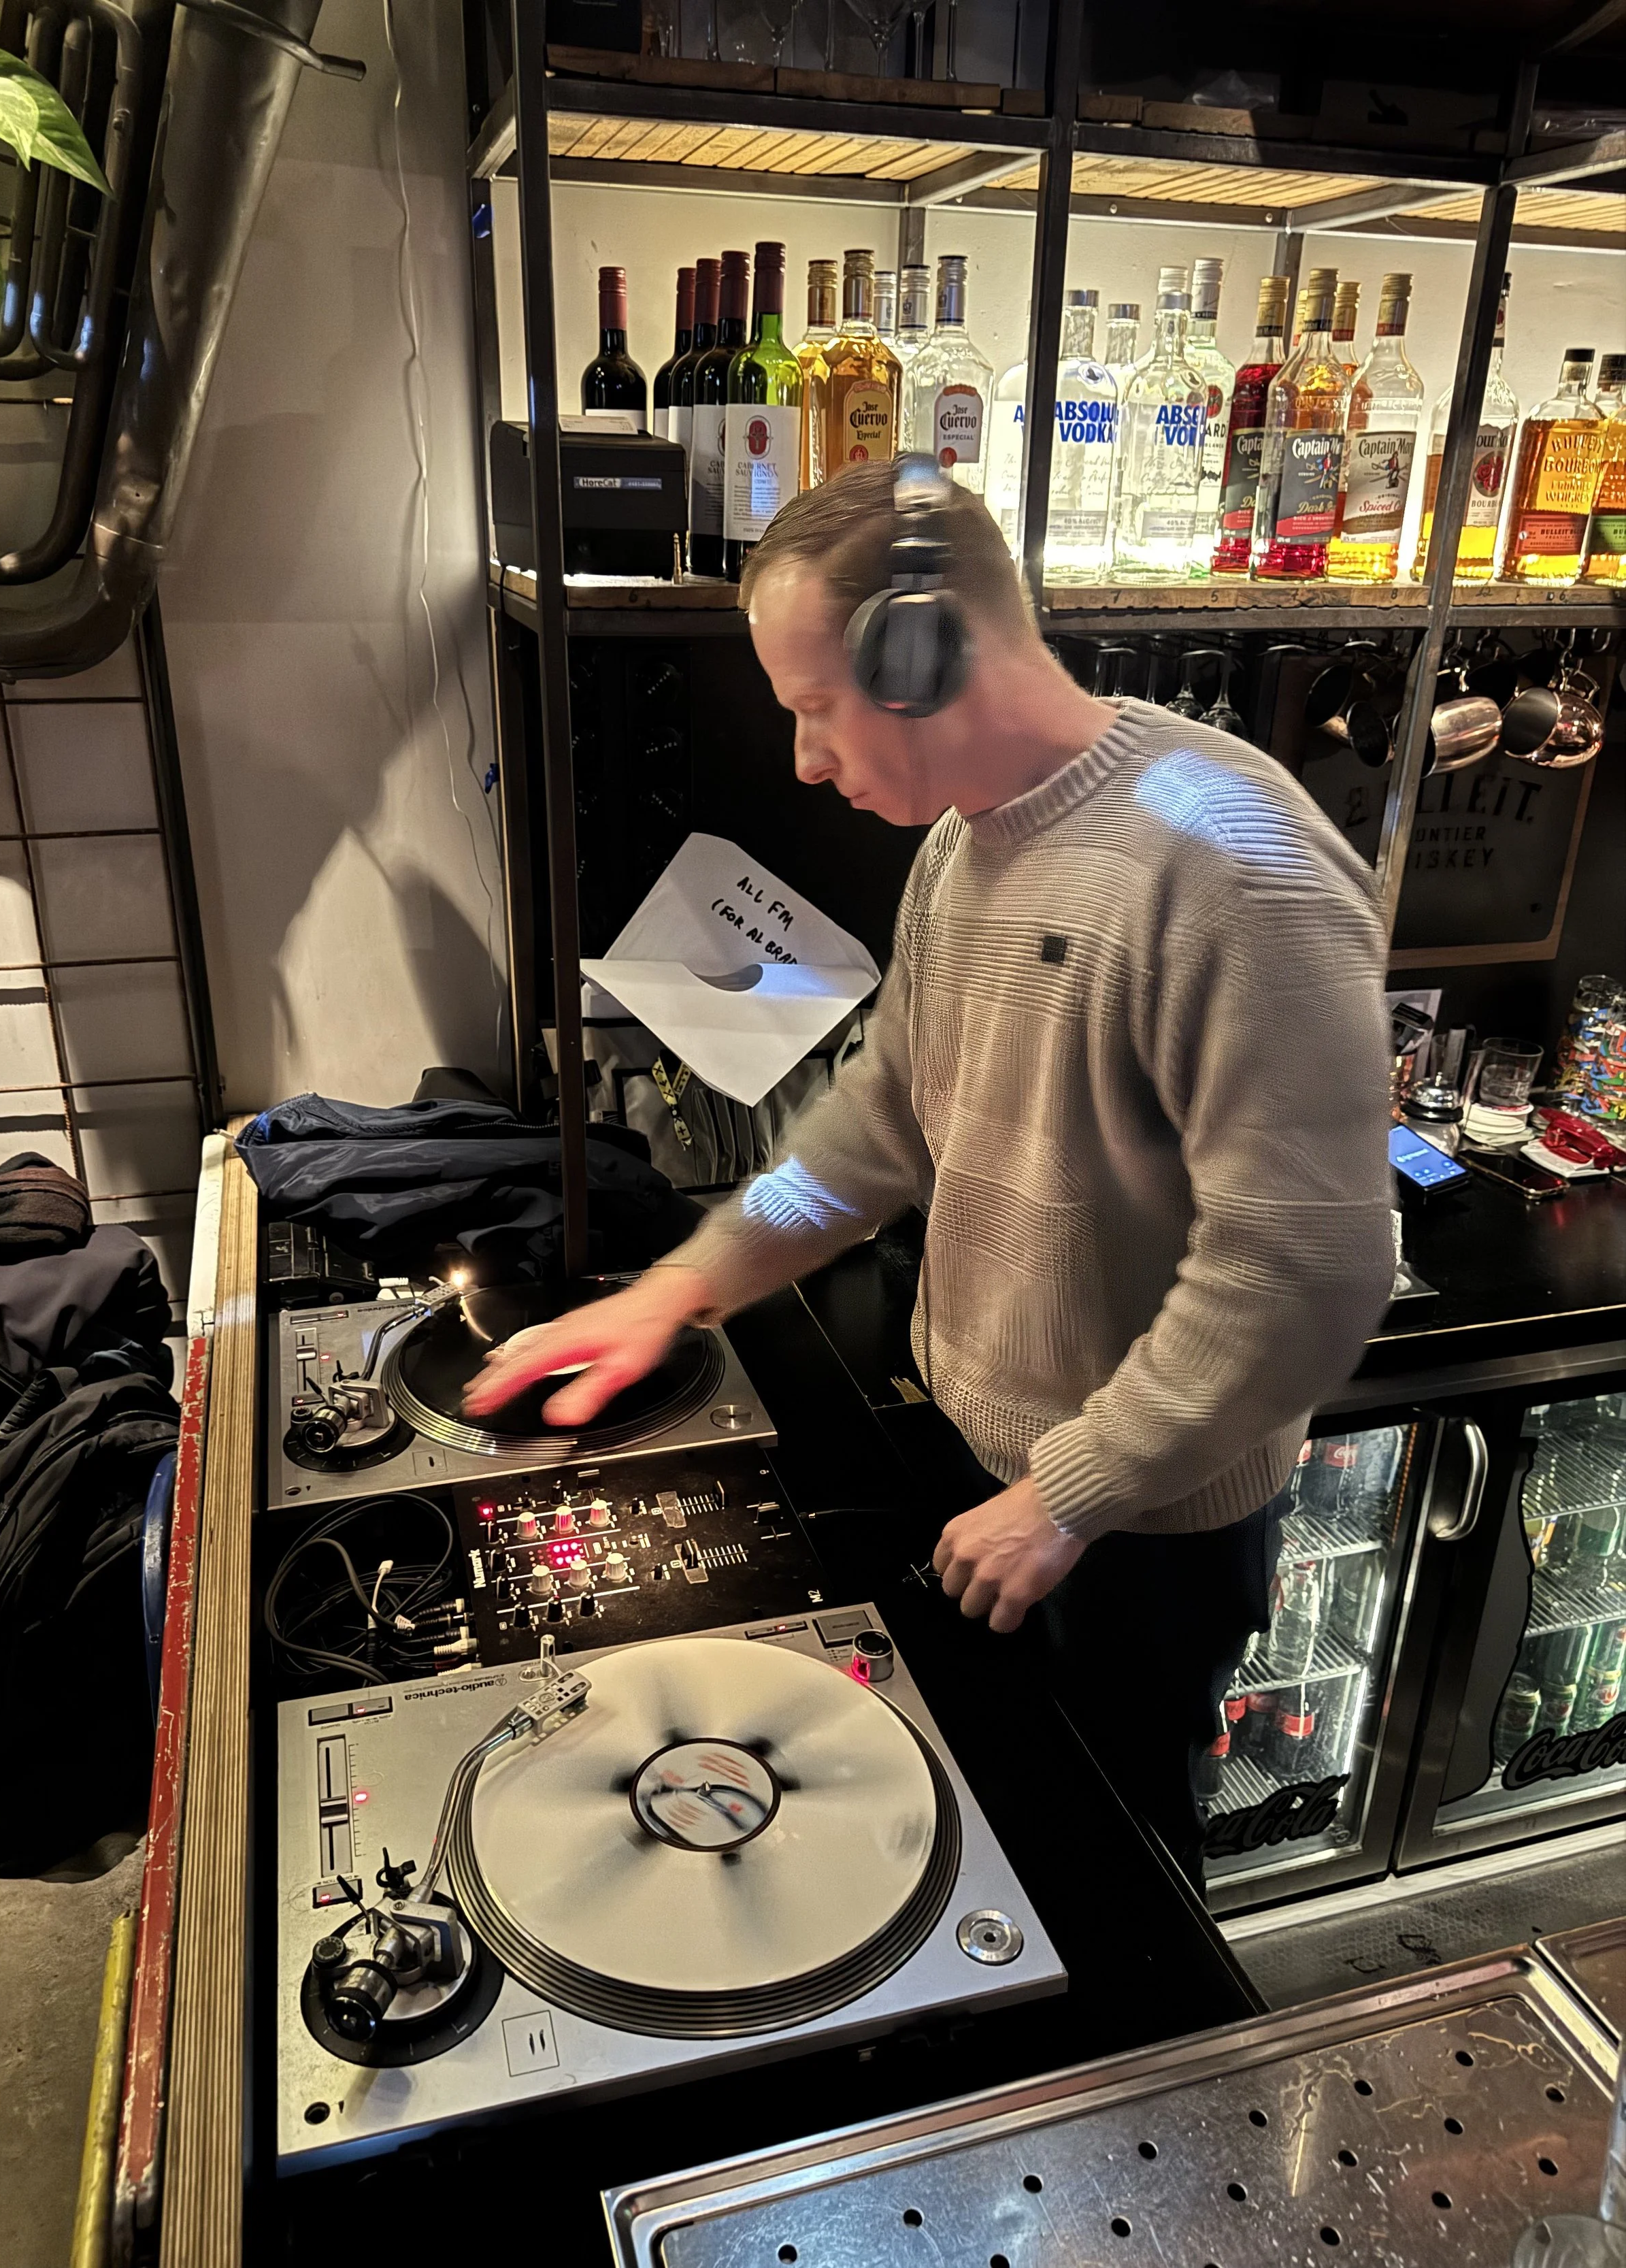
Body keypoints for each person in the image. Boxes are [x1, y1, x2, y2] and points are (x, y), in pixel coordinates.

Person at [465, 461, 1394, 1887]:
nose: (802, 760)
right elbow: (880, 1123)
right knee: (992, 1859)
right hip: (1000, 1473)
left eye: (810, 705)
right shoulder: (964, 849)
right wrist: (683, 1286)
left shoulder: (1233, 859)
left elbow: (1310, 1267)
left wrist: (1069, 1492)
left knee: (1114, 1879)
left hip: (1134, 1525)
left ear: (918, 654)